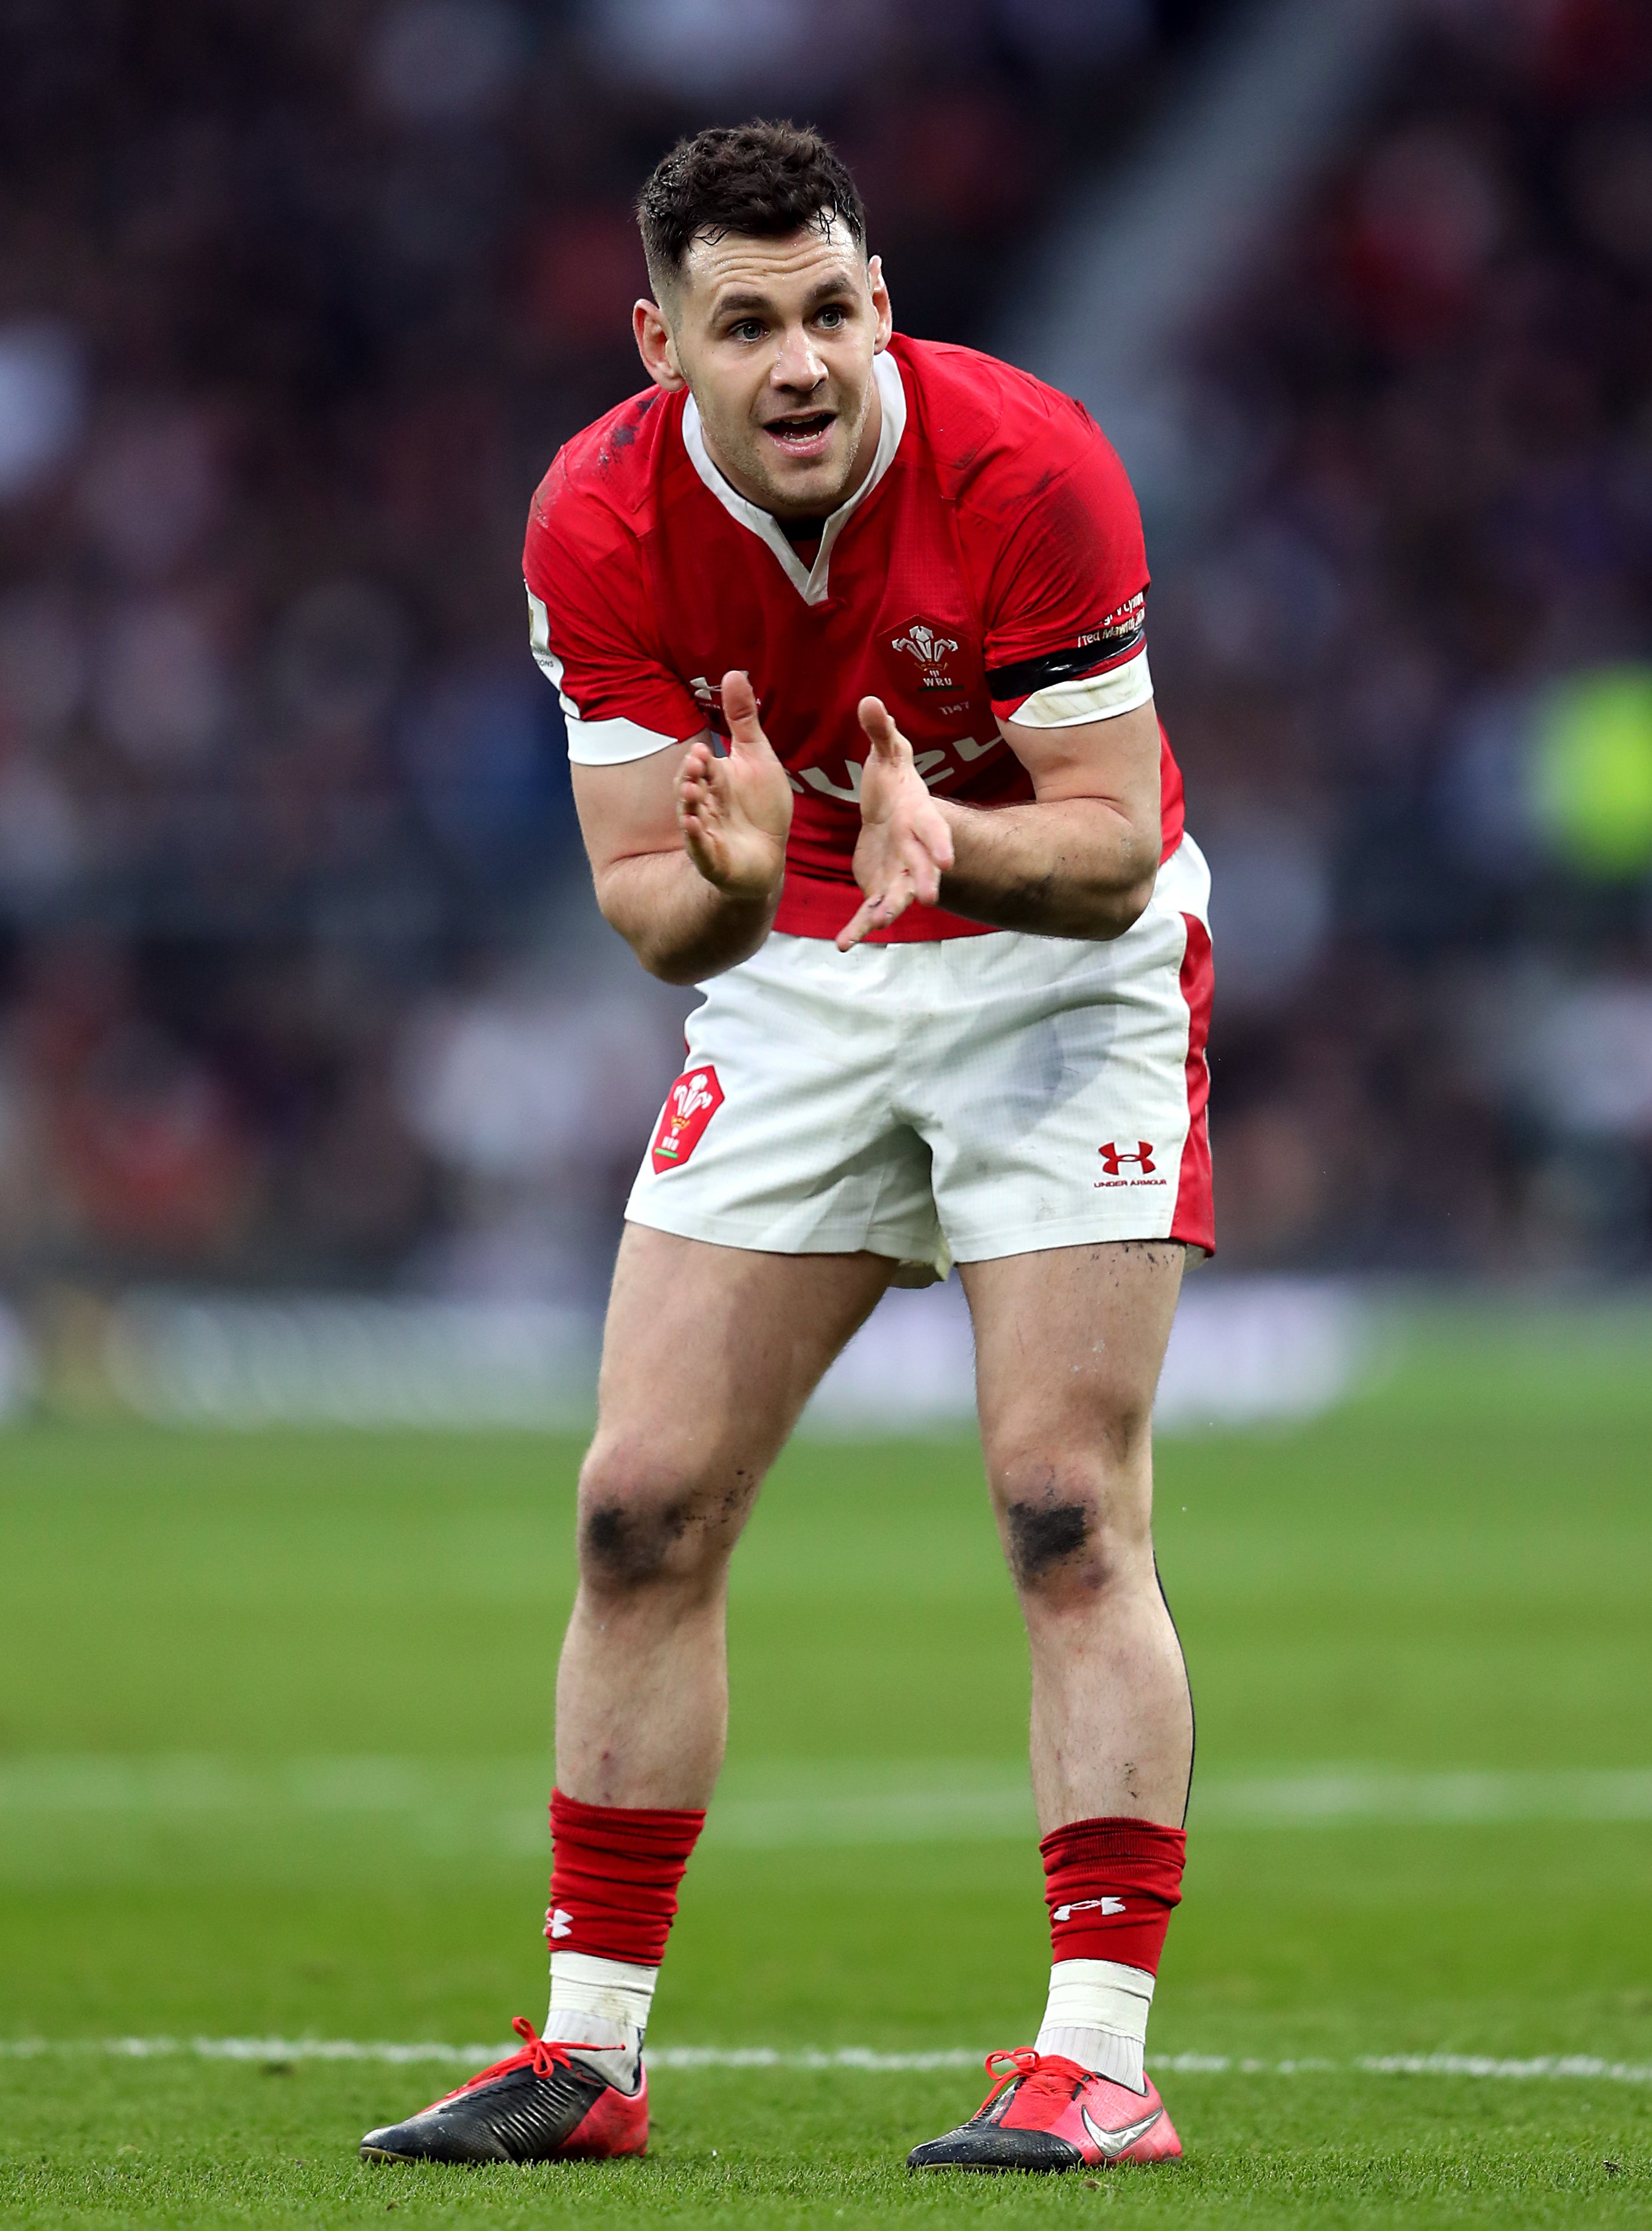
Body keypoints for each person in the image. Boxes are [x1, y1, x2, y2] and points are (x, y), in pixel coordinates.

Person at [361, 118, 1211, 2177]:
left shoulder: (1027, 466)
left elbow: (1105, 852)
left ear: (881, 305)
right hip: (804, 979)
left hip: (1054, 982)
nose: (805, 360)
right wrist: (743, 886)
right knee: (637, 1507)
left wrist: (952, 845)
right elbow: (652, 907)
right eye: (749, 324)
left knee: (1059, 1511)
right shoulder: (594, 520)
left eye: (832, 307)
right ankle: (586, 2055)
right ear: (664, 346)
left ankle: (1093, 2059)